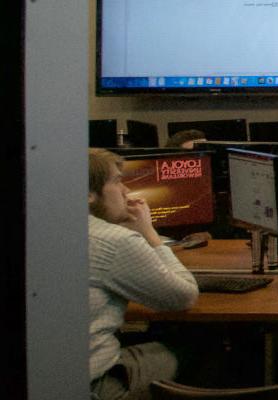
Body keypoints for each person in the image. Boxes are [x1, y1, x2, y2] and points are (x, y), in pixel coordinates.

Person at [88, 148, 200, 400]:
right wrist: (150, 235)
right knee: (202, 348)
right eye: (117, 181)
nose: (126, 191)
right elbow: (183, 296)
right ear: (88, 195)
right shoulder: (114, 240)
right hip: (96, 384)